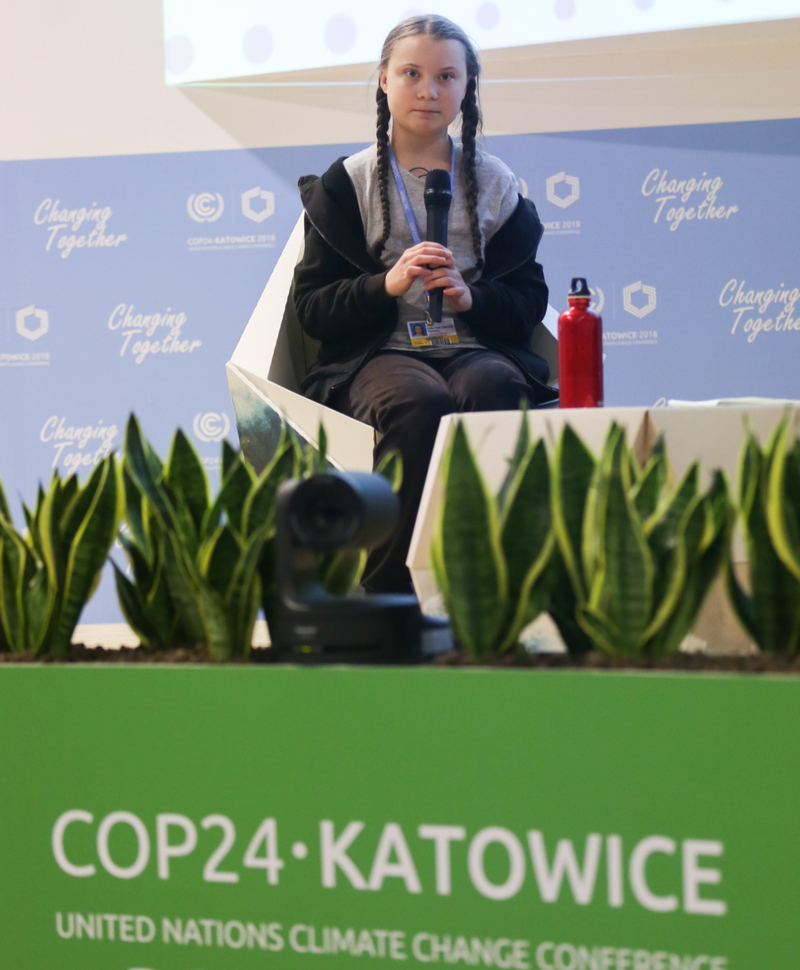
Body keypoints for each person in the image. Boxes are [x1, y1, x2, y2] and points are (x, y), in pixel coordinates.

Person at [292, 15, 555, 594]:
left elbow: (529, 300)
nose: (429, 90)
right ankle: (390, 594)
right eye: (411, 73)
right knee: (416, 401)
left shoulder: (494, 181)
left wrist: (471, 297)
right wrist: (384, 285)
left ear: (467, 87)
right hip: (378, 356)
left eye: (446, 76)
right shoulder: (348, 183)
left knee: (492, 390)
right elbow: (312, 308)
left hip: (475, 347)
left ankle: (493, 586)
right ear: (384, 80)